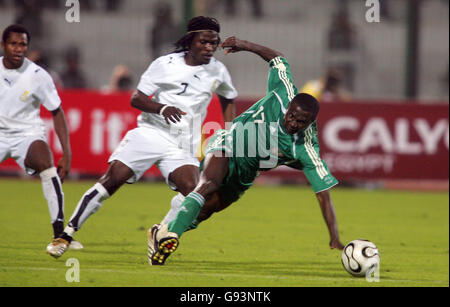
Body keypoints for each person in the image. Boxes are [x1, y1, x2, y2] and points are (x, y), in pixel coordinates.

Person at [46, 16, 238, 258]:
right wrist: (162, 108)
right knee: (114, 178)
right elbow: (136, 98)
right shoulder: (164, 64)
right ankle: (66, 234)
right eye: (204, 42)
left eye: (214, 43)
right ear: (190, 41)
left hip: (181, 144)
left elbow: (228, 97)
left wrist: (229, 130)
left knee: (195, 194)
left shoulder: (218, 70)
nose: (210, 48)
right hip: (151, 133)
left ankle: (160, 232)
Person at [149, 36, 345, 266]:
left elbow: (323, 194)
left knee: (205, 211)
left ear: (310, 122)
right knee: (207, 185)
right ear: (290, 106)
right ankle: (172, 236)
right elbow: (278, 59)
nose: (292, 122)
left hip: (245, 174)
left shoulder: (305, 148)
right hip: (228, 142)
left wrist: (334, 235)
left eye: (300, 122)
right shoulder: (284, 91)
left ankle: (160, 233)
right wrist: (244, 44)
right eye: (291, 115)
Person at [0, 24, 82, 253]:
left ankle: (60, 235)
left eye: (23, 44)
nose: (18, 49)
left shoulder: (37, 75)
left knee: (47, 166)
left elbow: (57, 111)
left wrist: (67, 153)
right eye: (13, 44)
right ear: (3, 45)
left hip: (27, 134)